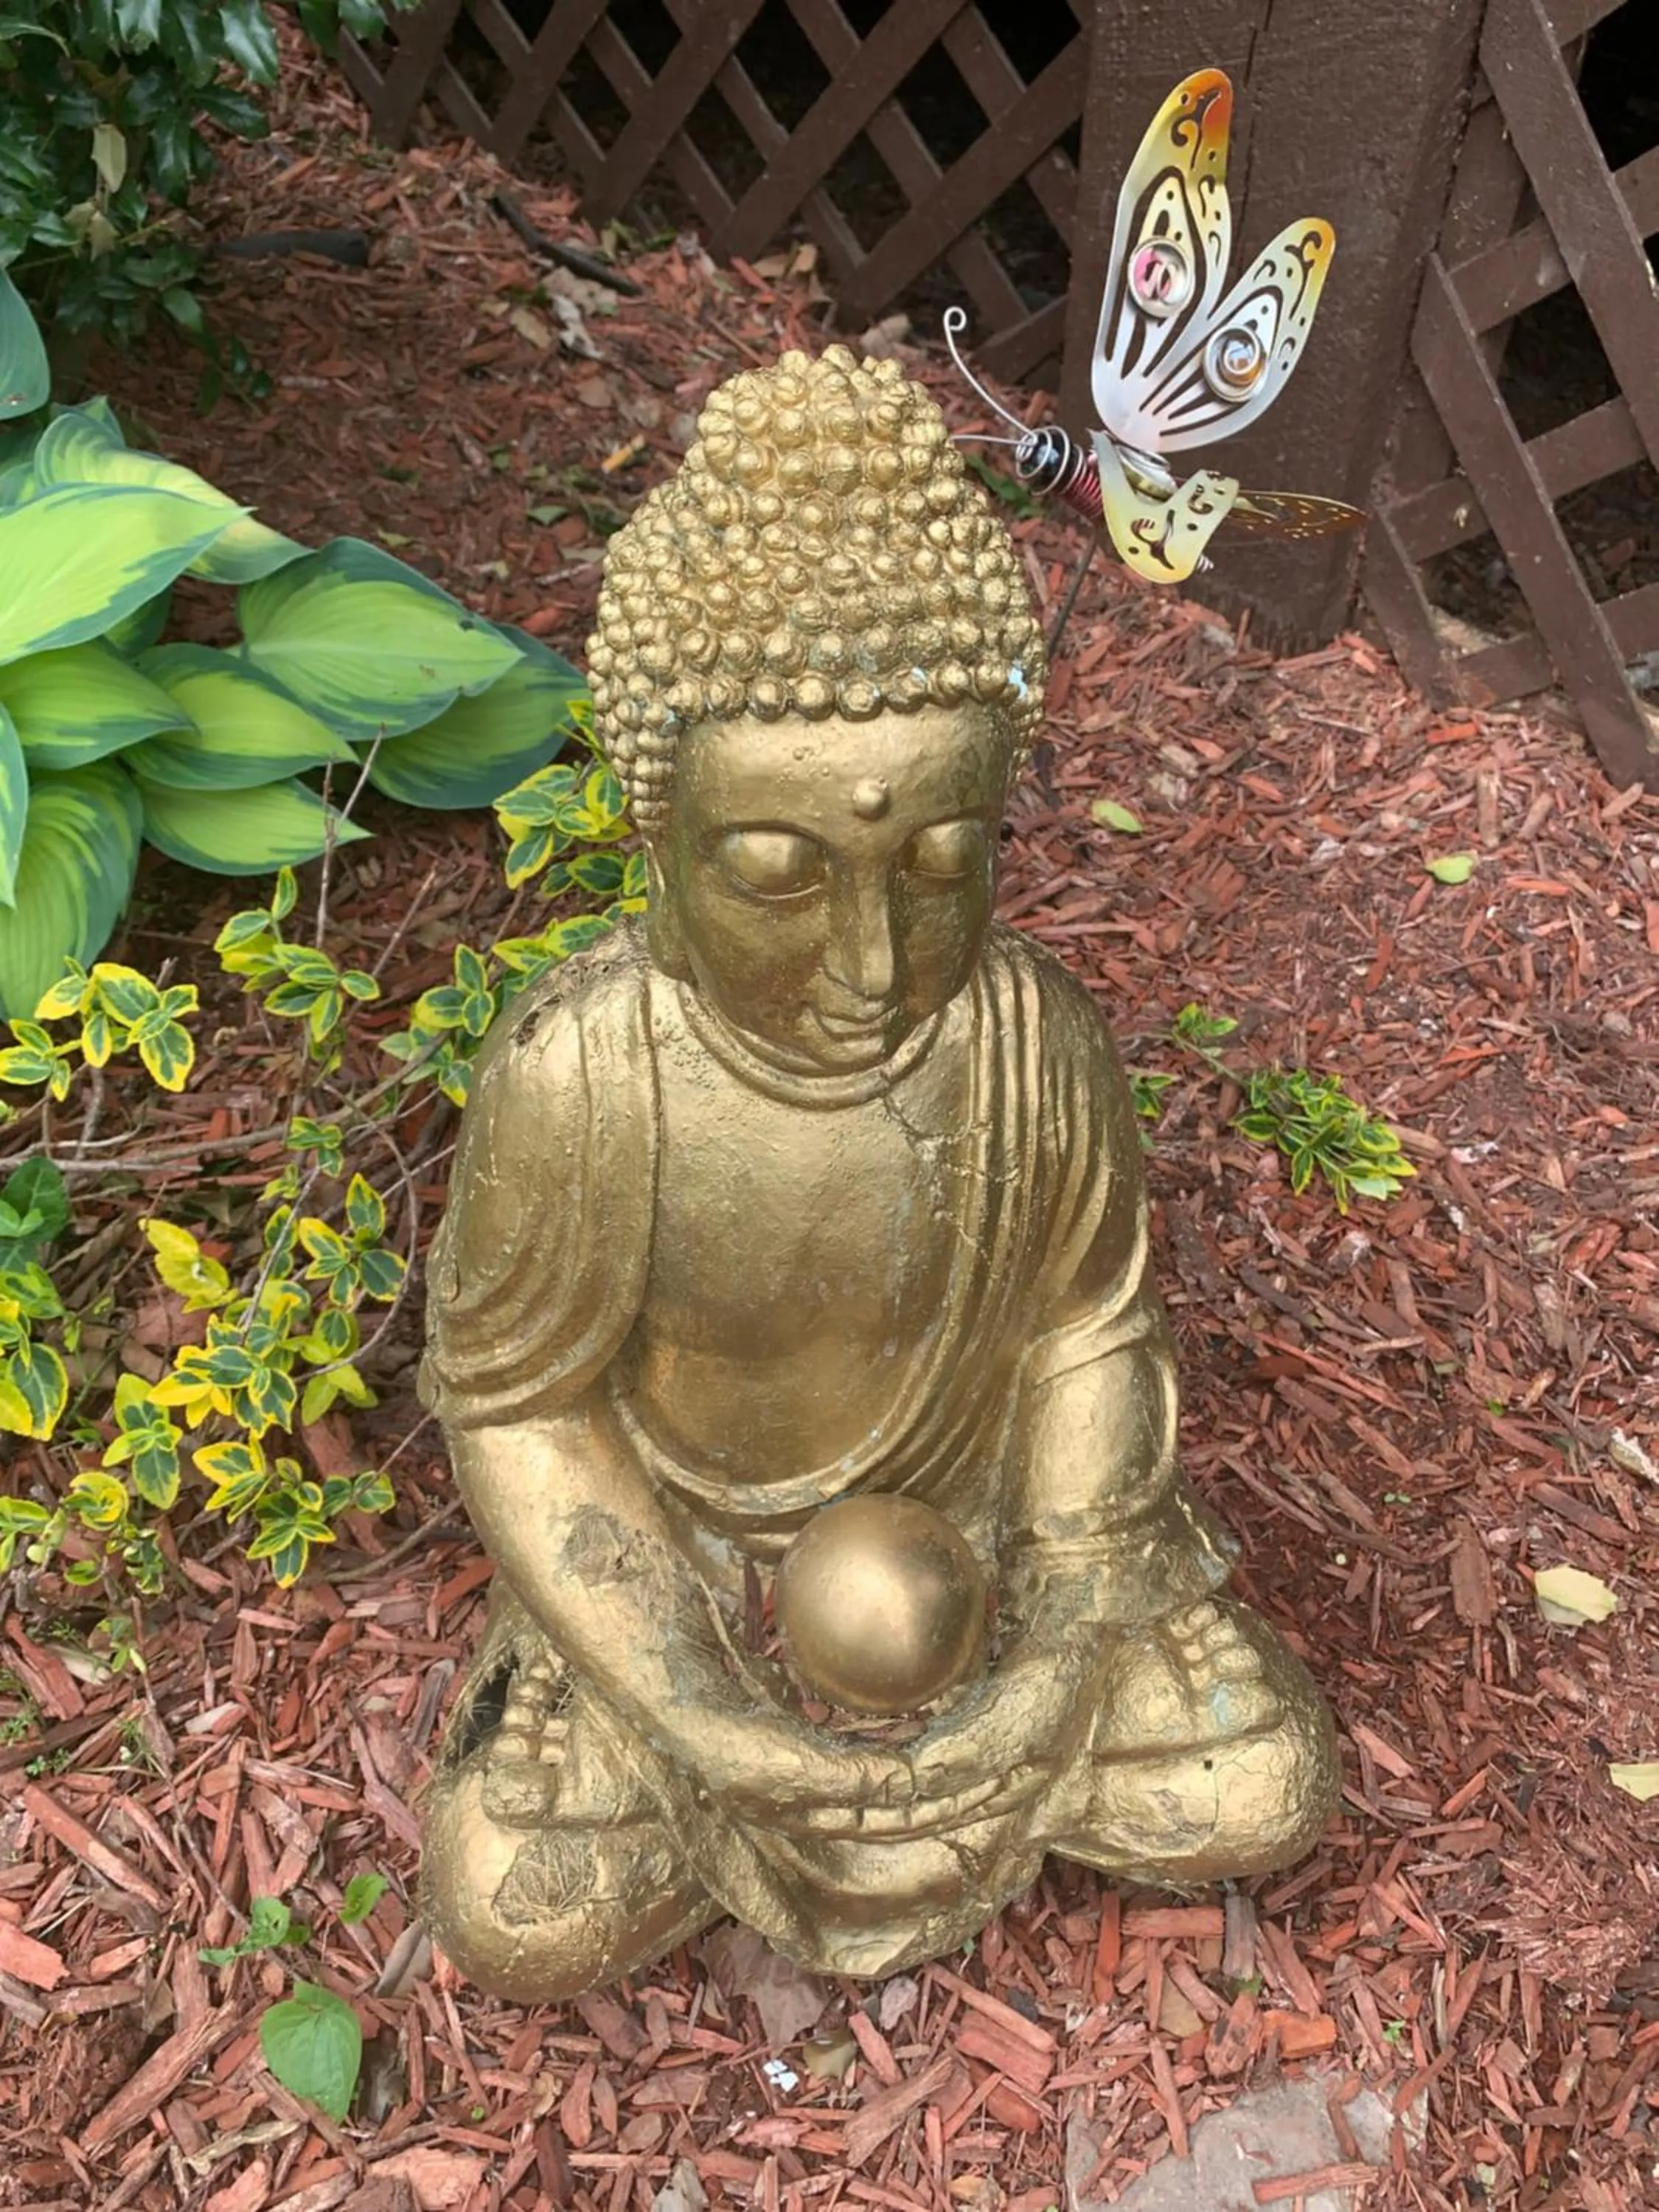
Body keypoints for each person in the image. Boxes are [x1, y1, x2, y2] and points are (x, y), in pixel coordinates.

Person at [417, 347, 1337, 2000]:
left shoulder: (1030, 1036)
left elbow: (1086, 1337)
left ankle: (975, 1724)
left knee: (1260, 1777)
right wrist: (691, 1695)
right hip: (686, 1552)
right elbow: (522, 1409)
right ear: (661, 833)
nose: (869, 955)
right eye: (776, 869)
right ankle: (688, 1725)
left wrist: (1057, 1643)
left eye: (939, 863)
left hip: (980, 1531)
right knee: (524, 1901)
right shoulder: (585, 1070)